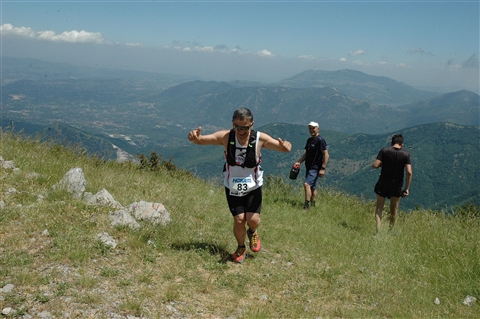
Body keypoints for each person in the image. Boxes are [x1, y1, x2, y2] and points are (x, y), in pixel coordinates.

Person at [187, 107, 292, 263]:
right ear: (233, 124)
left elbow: (280, 147)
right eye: (237, 127)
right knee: (239, 219)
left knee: (253, 219)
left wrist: (286, 146)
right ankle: (241, 247)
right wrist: (194, 138)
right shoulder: (226, 137)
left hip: (254, 186)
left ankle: (253, 232)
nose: (241, 131)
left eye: (245, 127)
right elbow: (202, 140)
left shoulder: (259, 138)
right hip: (232, 186)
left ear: (252, 124)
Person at [372, 134, 412, 234]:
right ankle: (391, 230)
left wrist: (384, 164)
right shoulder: (406, 154)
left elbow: (375, 165)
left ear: (392, 143)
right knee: (394, 209)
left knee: (379, 208)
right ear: (401, 144)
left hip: (383, 182)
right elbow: (409, 172)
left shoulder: (384, 151)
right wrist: (407, 188)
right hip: (397, 185)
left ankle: (378, 231)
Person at [294, 121, 329, 210]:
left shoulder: (320, 140)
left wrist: (322, 168)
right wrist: (299, 162)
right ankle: (313, 204)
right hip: (308, 166)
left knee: (306, 184)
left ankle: (307, 206)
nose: (311, 130)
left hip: (315, 167)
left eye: (313, 128)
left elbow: (326, 154)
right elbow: (307, 153)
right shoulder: (309, 140)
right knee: (312, 187)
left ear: (318, 129)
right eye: (310, 128)